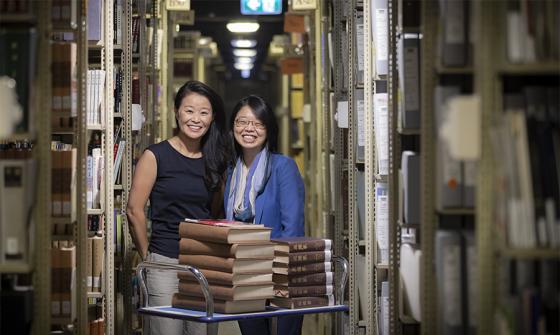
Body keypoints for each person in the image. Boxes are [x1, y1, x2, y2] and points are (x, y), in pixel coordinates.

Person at [126, 81, 228, 335]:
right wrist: (149, 255)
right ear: (176, 112)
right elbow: (134, 210)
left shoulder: (216, 160)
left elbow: (216, 212)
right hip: (164, 264)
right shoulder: (155, 156)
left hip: (204, 264)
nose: (196, 119)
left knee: (201, 332)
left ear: (213, 117)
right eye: (189, 110)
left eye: (204, 112)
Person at [224, 95, 305, 335]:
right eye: (242, 122)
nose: (249, 129)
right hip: (242, 275)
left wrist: (281, 278)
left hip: (278, 274)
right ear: (233, 127)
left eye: (258, 123)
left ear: (268, 130)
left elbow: (293, 229)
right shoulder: (230, 171)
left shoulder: (283, 167)